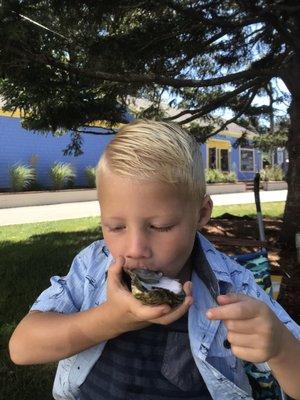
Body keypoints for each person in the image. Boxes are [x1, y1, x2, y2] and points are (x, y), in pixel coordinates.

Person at [9, 120, 300, 400]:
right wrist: (110, 320)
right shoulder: (92, 266)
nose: (135, 249)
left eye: (160, 227)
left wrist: (280, 347)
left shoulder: (233, 288)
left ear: (200, 214)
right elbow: (22, 348)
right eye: (116, 227)